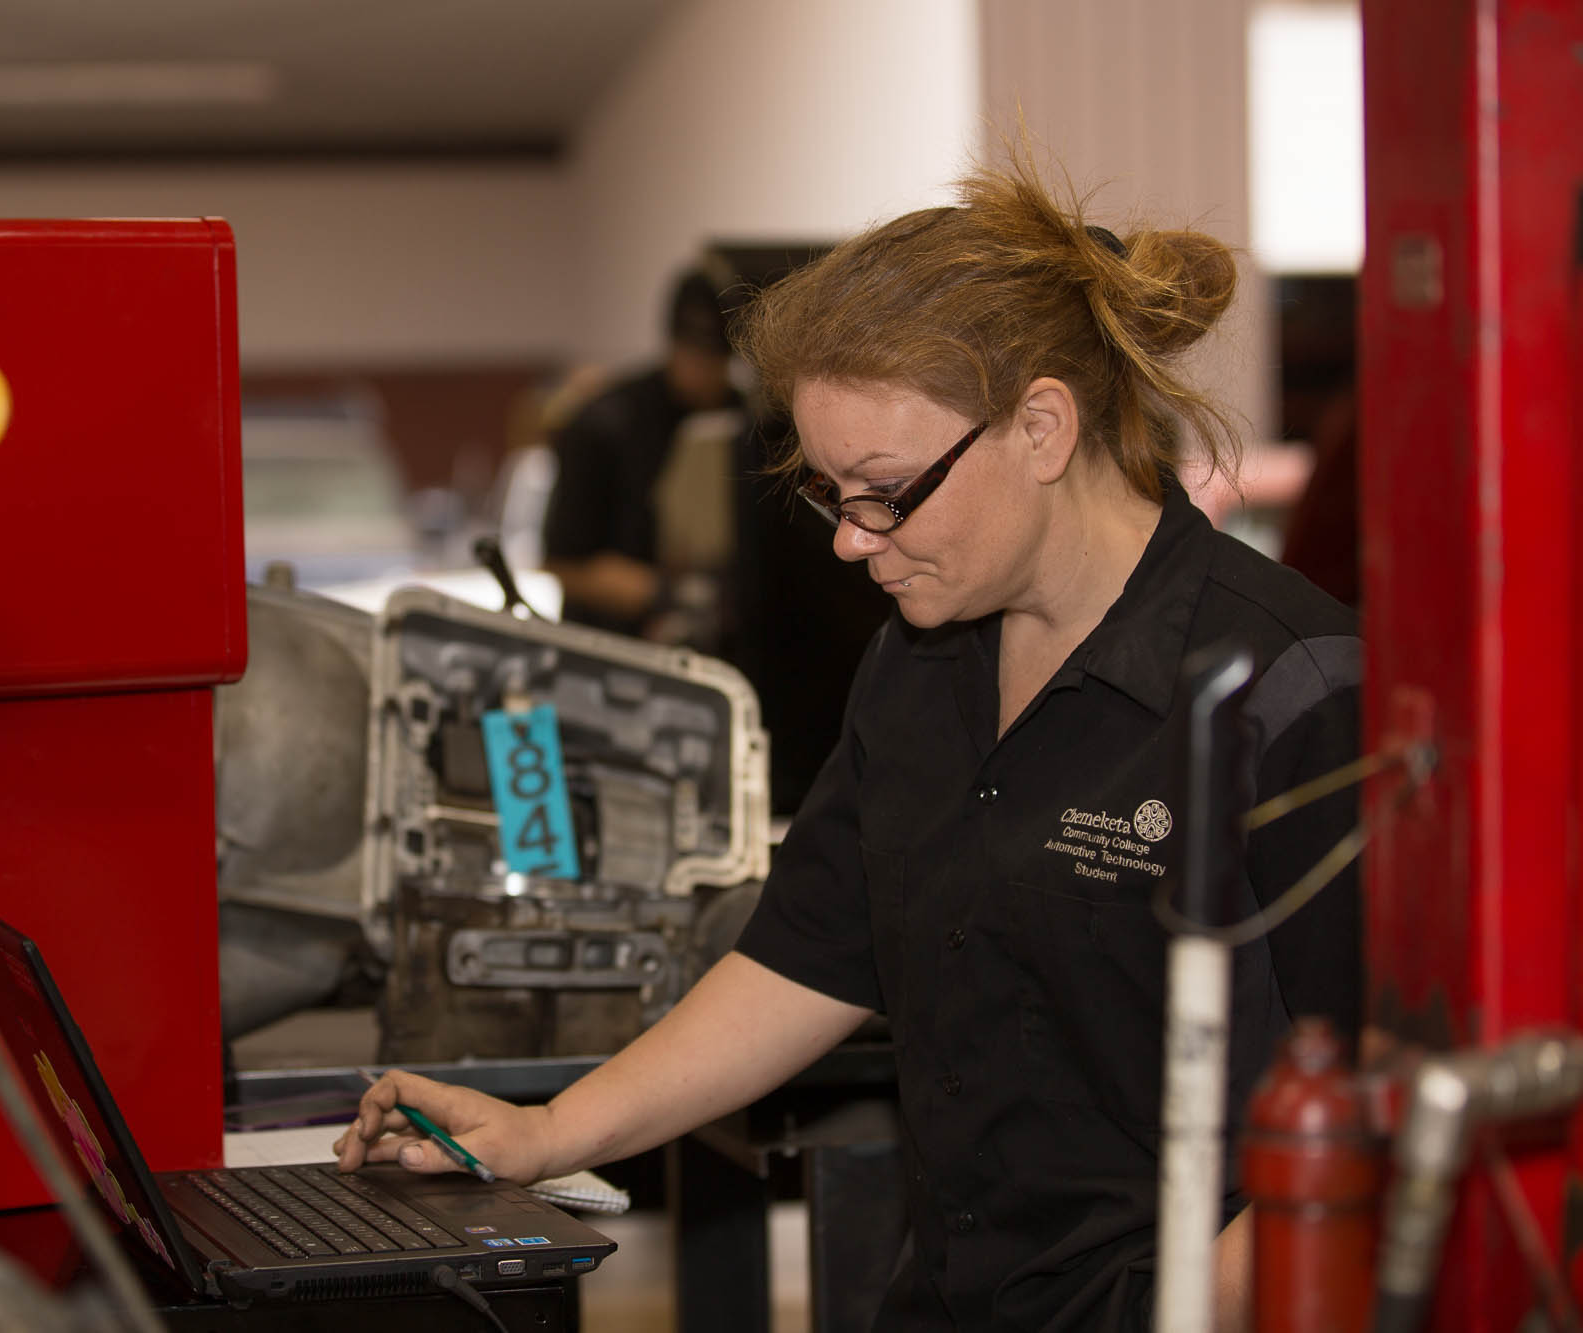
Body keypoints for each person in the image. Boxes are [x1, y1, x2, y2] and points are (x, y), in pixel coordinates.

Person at [338, 154, 1362, 1332]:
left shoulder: (1284, 688)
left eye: (884, 490)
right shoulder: (919, 665)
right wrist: (543, 1130)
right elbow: (806, 957)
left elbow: (1366, 1110)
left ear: (1039, 425)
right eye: (833, 496)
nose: (850, 540)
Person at [539, 266, 744, 639]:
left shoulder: (743, 415)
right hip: (614, 646)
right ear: (674, 344)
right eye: (698, 356)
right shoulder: (604, 422)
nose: (707, 373)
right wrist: (665, 592)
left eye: (719, 360)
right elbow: (562, 564)